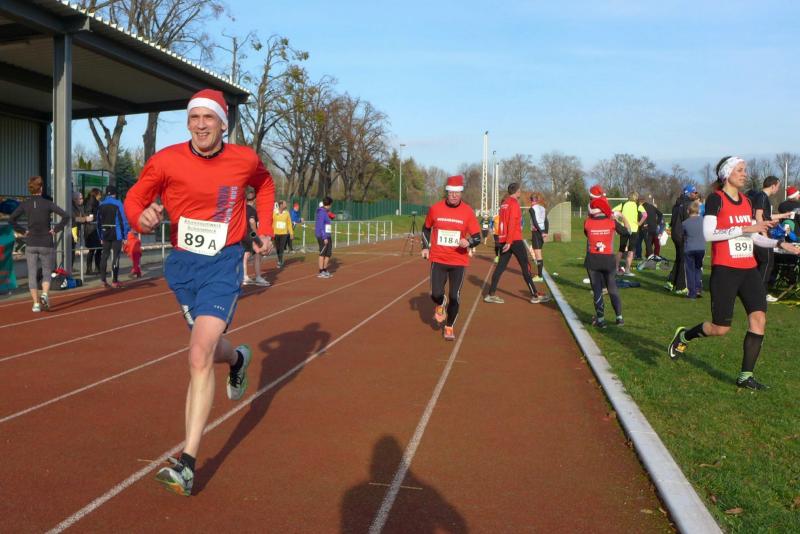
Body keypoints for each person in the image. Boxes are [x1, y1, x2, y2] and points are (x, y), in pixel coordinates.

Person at [123, 88, 275, 496]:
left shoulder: (244, 159)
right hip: (184, 266)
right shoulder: (166, 160)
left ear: (223, 124)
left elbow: (265, 184)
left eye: (209, 118)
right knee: (208, 350)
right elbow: (135, 199)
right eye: (194, 118)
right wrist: (141, 218)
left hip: (225, 262)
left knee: (197, 353)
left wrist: (264, 229)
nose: (201, 125)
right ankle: (237, 357)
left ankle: (187, 463)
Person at [668, 156, 800, 390]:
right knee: (720, 328)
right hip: (726, 271)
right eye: (739, 170)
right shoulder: (715, 199)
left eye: (744, 170)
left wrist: (780, 244)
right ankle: (685, 335)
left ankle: (745, 376)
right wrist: (746, 227)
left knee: (759, 319)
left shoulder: (747, 201)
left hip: (748, 269)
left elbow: (753, 236)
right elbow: (710, 233)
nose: (744, 174)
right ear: (726, 174)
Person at [420, 175, 481, 340]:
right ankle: (441, 302)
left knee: (455, 296)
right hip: (438, 258)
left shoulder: (467, 211)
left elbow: (477, 237)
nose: (454, 195)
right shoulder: (435, 209)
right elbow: (426, 228)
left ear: (461, 193)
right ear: (447, 192)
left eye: (457, 193)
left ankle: (449, 326)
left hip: (458, 261)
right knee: (435, 294)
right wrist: (425, 247)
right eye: (451, 192)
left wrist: (468, 242)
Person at [9, 176, 69, 312]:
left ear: (30, 189)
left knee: (31, 273)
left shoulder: (25, 204)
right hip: (46, 242)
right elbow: (66, 216)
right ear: (41, 188)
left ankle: (36, 304)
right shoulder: (48, 203)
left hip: (31, 242)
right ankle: (45, 294)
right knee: (47, 272)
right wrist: (56, 230)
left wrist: (23, 231)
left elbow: (11, 219)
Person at [484, 183, 551, 304]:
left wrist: (505, 240)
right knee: (526, 266)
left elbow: (503, 222)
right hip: (513, 240)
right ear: (516, 191)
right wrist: (509, 241)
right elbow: (511, 222)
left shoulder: (504, 204)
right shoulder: (514, 203)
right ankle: (535, 295)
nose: (521, 192)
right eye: (519, 190)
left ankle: (490, 294)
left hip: (504, 239)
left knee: (500, 267)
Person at [583, 190, 627, 328]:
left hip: (593, 259)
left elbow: (587, 234)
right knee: (612, 287)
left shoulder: (587, 223)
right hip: (608, 259)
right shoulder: (611, 222)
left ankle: (601, 320)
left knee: (597, 290)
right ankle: (619, 318)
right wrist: (621, 216)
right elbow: (627, 232)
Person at [748, 176, 788, 302]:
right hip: (761, 234)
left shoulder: (762, 197)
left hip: (761, 233)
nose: (778, 189)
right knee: (768, 262)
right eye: (778, 186)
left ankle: (755, 291)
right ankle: (761, 293)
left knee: (763, 263)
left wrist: (784, 215)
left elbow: (767, 216)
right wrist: (764, 234)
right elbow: (758, 216)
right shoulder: (762, 196)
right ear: (773, 185)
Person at [666, 185, 699, 293]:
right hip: (682, 235)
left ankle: (670, 282)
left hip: (675, 234)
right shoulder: (688, 205)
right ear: (688, 193)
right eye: (694, 192)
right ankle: (680, 287)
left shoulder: (677, 204)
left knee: (679, 258)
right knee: (683, 260)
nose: (695, 194)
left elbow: (672, 221)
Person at [96, 185, 130, 289]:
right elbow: (124, 221)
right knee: (116, 256)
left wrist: (100, 236)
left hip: (105, 233)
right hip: (117, 233)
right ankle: (115, 281)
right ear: (115, 193)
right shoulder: (118, 203)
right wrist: (125, 236)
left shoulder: (101, 204)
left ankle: (103, 280)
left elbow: (98, 222)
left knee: (104, 256)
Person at [612, 192, 647, 276]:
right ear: (636, 197)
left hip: (624, 229)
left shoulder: (623, 204)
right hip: (634, 229)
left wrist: (617, 221)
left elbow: (612, 211)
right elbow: (645, 215)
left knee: (621, 249)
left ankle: (616, 269)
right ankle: (627, 270)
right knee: (631, 250)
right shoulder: (638, 205)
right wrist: (639, 223)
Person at [241, 188, 269, 286]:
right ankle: (258, 277)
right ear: (254, 200)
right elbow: (252, 222)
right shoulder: (252, 210)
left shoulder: (242, 209)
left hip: (242, 234)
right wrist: (256, 235)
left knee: (246, 254)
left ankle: (244, 276)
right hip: (251, 234)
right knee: (258, 253)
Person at [682, 200, 705, 299]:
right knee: (698, 269)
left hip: (689, 248)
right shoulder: (703, 221)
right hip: (701, 248)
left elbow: (682, 235)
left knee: (690, 271)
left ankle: (692, 293)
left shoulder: (685, 223)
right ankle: (698, 289)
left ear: (688, 211)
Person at [70, 191, 93, 273]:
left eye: (82, 198)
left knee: (72, 249)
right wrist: (85, 219)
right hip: (72, 230)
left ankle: (70, 267)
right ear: (75, 199)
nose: (82, 200)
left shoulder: (80, 207)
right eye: (80, 198)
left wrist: (86, 218)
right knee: (70, 248)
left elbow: (80, 216)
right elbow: (74, 218)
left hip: (75, 230)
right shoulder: (71, 207)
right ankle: (69, 267)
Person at [528, 192, 548, 282]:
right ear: (537, 200)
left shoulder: (532, 209)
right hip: (542, 231)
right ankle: (540, 275)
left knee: (538, 254)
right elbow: (546, 221)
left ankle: (540, 276)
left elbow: (535, 222)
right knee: (539, 253)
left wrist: (541, 232)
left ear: (531, 200)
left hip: (536, 233)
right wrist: (545, 232)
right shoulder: (543, 208)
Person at [84, 188, 102, 275]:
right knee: (93, 249)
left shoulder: (94, 202)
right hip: (92, 229)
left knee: (97, 249)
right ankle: (90, 269)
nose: (100, 196)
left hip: (93, 228)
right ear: (96, 194)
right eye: (100, 195)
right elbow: (88, 214)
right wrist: (95, 218)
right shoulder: (91, 203)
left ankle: (95, 268)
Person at [315, 196, 334, 278]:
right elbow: (321, 226)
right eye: (331, 204)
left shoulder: (326, 212)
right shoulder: (321, 213)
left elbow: (331, 218)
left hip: (328, 234)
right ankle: (321, 271)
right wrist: (324, 237)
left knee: (328, 253)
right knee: (322, 253)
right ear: (328, 204)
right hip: (322, 235)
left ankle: (325, 269)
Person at [273, 200, 294, 268]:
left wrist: (291, 233)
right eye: (285, 204)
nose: (286, 205)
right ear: (281, 205)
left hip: (284, 233)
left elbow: (289, 224)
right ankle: (279, 259)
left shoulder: (287, 213)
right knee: (277, 248)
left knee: (281, 248)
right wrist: (271, 232)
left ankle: (280, 261)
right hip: (276, 233)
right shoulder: (274, 212)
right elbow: (271, 222)